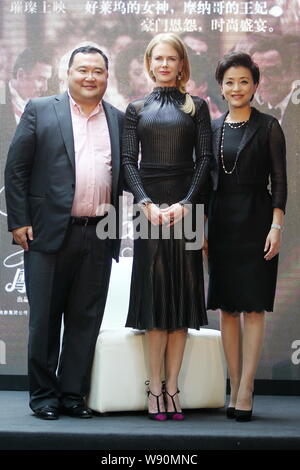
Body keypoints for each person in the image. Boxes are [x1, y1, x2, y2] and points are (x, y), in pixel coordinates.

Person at [5, 46, 124, 420]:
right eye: (83, 70)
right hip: (46, 234)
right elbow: (16, 169)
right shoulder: (41, 109)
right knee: (44, 320)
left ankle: (73, 394)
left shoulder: (119, 119)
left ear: (108, 76)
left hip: (99, 233)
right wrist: (18, 221)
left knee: (84, 320)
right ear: (68, 73)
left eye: (98, 71)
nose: (91, 77)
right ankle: (43, 396)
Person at [122, 33, 212, 421]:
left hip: (185, 211)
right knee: (155, 305)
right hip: (149, 213)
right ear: (148, 63)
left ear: (181, 65)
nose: (164, 64)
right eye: (157, 58)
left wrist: (186, 204)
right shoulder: (135, 108)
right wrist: (145, 203)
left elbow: (205, 160)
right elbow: (128, 162)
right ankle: (153, 387)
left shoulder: (198, 108)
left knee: (182, 303)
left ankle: (173, 388)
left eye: (171, 58)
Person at [205, 52, 287, 421]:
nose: (236, 88)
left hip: (257, 220)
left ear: (255, 85)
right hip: (221, 223)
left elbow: (281, 182)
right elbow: (207, 184)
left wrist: (276, 225)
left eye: (244, 81)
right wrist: (203, 228)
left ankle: (247, 387)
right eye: (229, 82)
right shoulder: (213, 127)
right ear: (220, 88)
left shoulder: (269, 126)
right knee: (227, 308)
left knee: (253, 308)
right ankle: (233, 382)